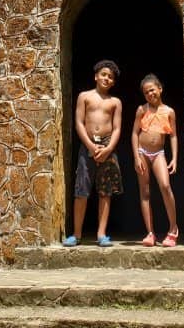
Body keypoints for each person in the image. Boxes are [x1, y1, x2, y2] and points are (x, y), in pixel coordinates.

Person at [63, 59, 123, 247]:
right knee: (81, 190)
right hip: (87, 146)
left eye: (111, 77)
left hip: (107, 147)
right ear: (96, 76)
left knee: (105, 192)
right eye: (104, 74)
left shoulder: (115, 102)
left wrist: (108, 149)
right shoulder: (84, 97)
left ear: (113, 82)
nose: (107, 78)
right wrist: (89, 145)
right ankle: (77, 234)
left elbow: (117, 128)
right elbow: (79, 123)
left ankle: (101, 234)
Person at [131, 73, 178, 247]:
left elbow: (173, 136)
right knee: (145, 192)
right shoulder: (141, 110)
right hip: (142, 152)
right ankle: (150, 232)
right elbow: (135, 133)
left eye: (152, 90)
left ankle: (173, 228)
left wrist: (174, 157)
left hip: (158, 153)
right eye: (146, 92)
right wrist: (136, 156)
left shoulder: (169, 112)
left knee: (165, 186)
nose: (150, 94)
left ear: (160, 89)